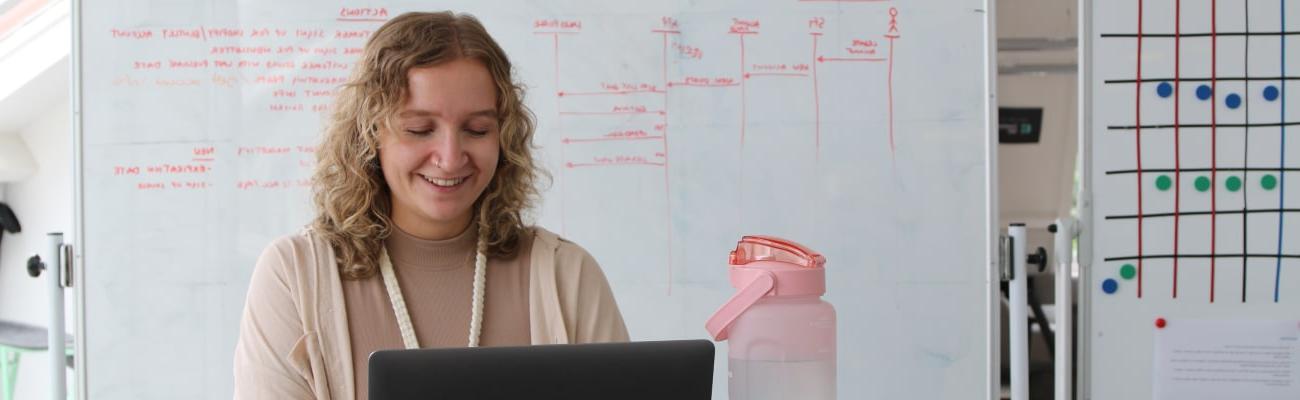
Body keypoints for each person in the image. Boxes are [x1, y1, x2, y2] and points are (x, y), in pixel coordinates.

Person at [233, 11, 629, 399]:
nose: (450, 157)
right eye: (419, 130)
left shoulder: (568, 276)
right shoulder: (294, 274)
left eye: (477, 130)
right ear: (372, 133)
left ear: (503, 136)